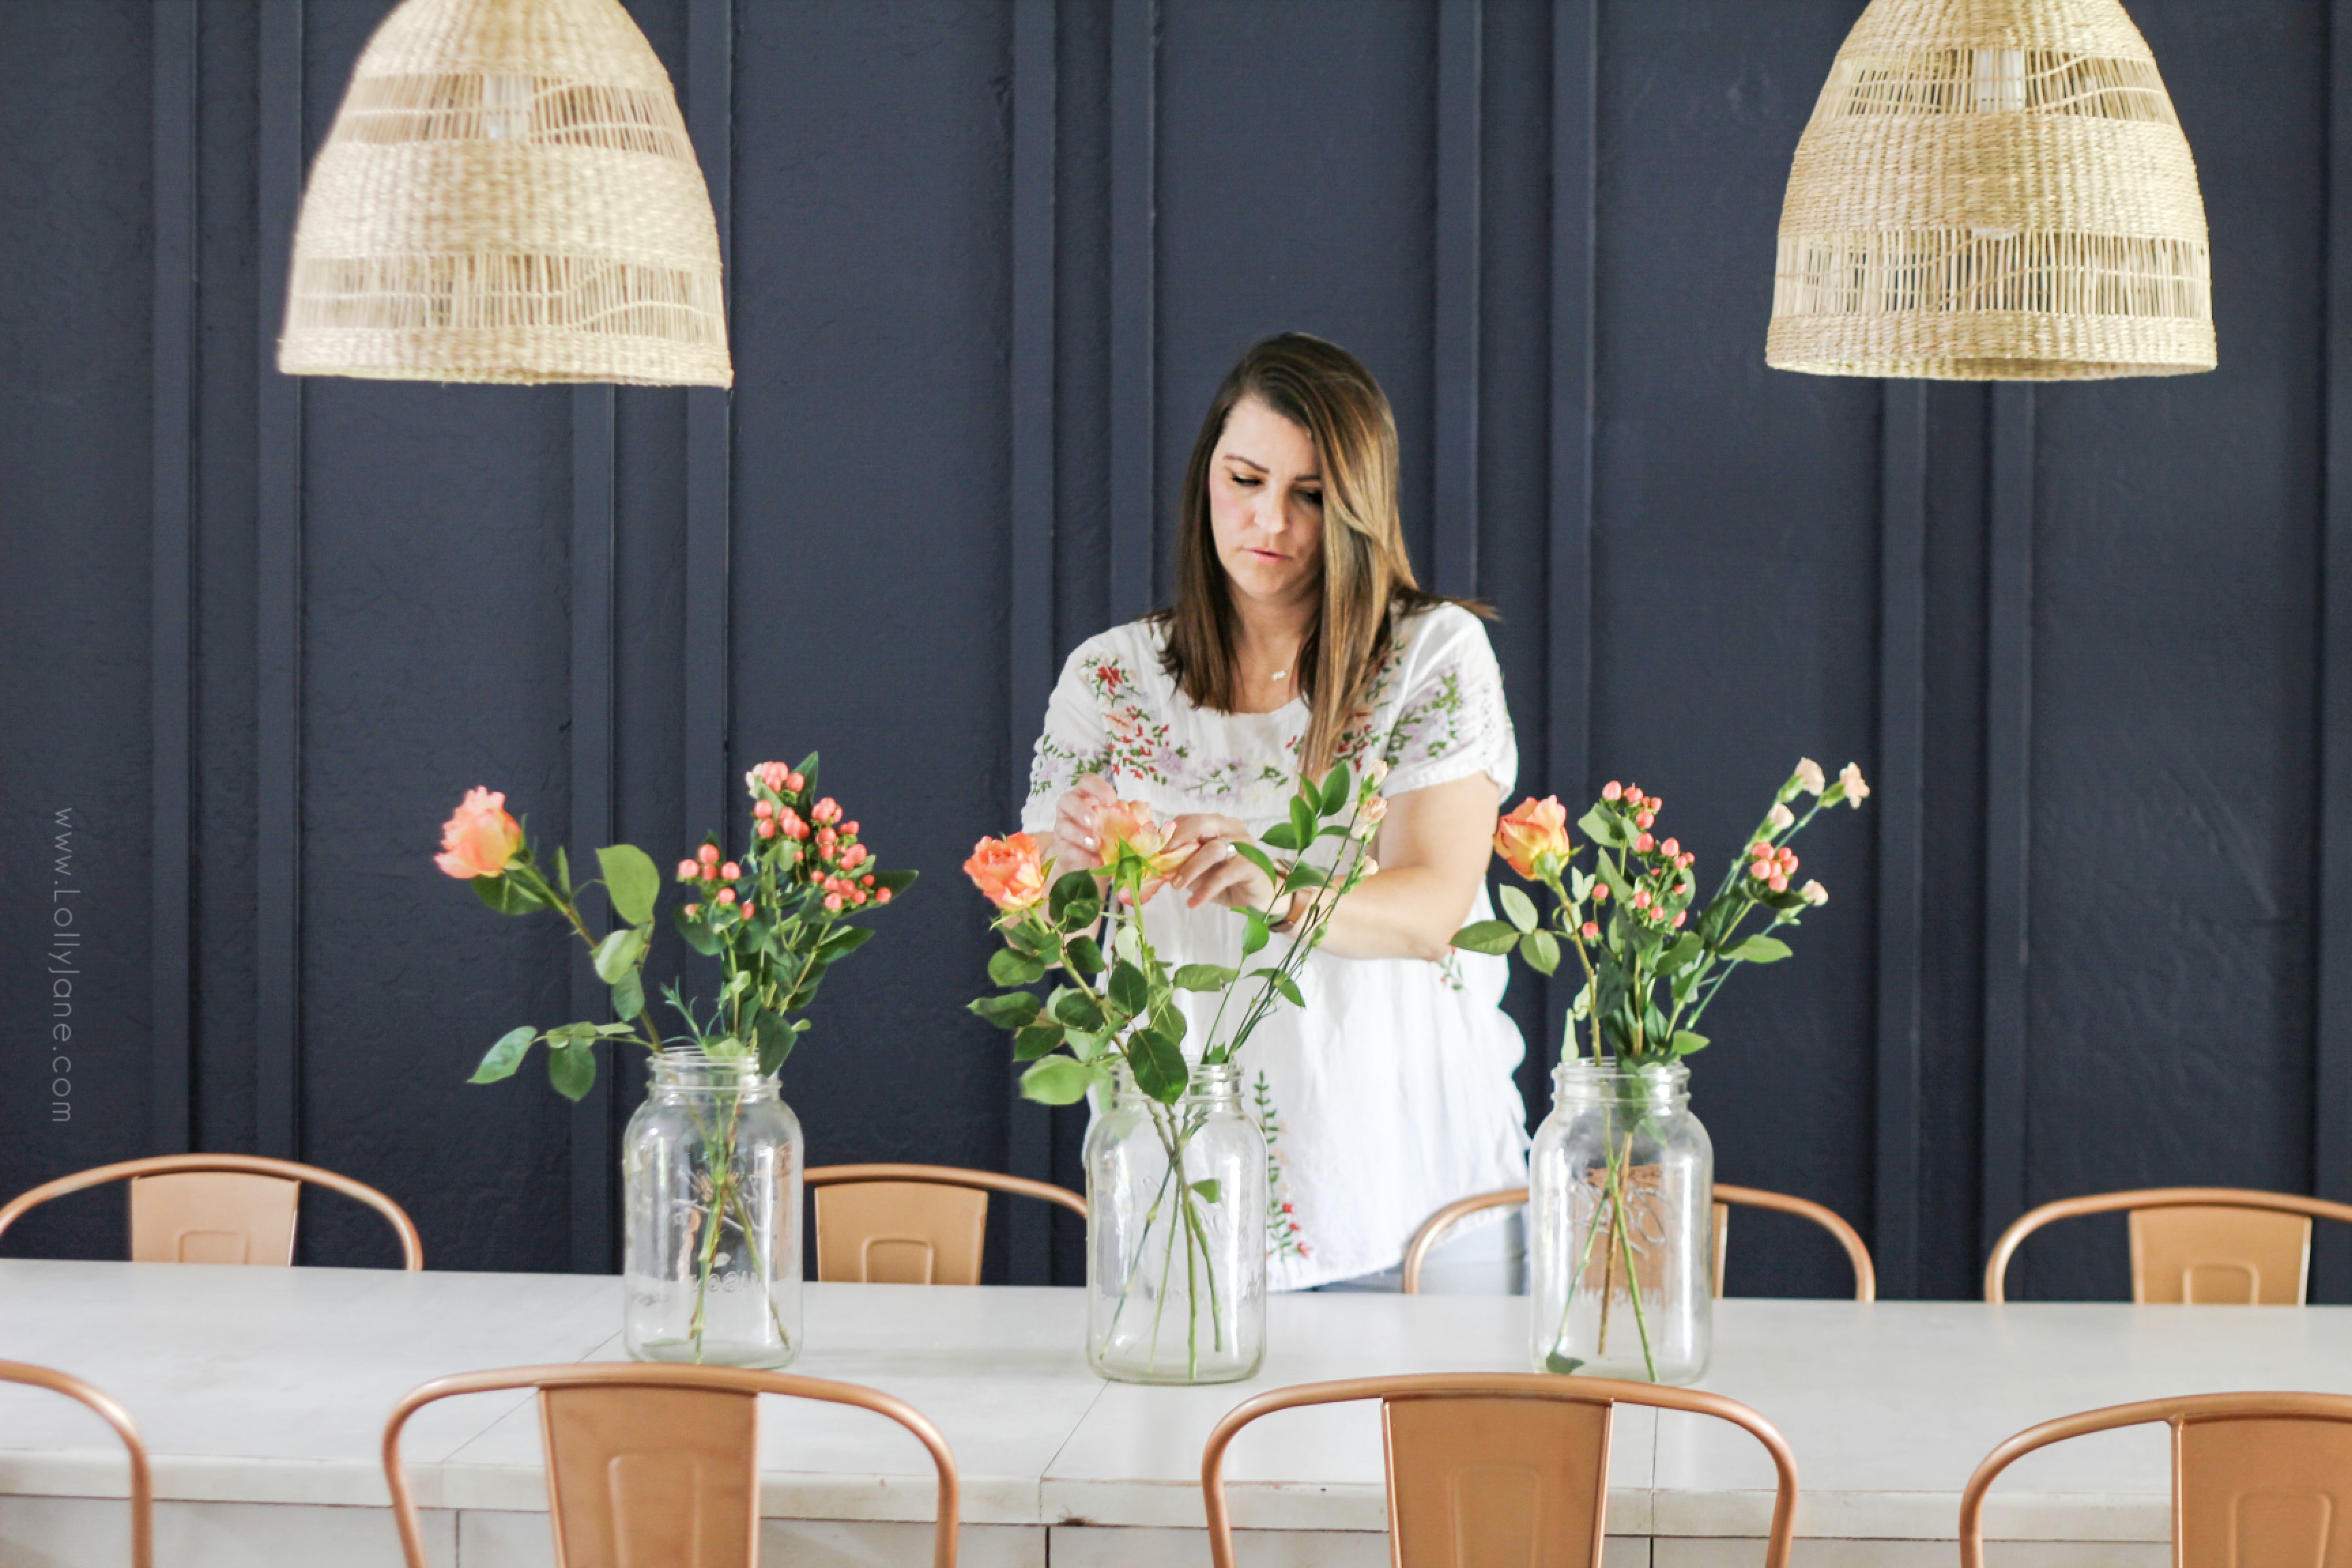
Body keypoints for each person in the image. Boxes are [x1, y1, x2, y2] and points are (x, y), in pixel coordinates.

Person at [1021, 332, 1529, 1292]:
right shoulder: (1111, 675)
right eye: (1245, 478)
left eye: (1311, 494)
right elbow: (1055, 923)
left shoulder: (1429, 654)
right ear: (1205, 474)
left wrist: (1286, 886)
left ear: (1359, 506)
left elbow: (1431, 912)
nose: (1270, 521)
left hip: (1413, 1190)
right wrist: (1080, 863)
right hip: (1187, 1184)